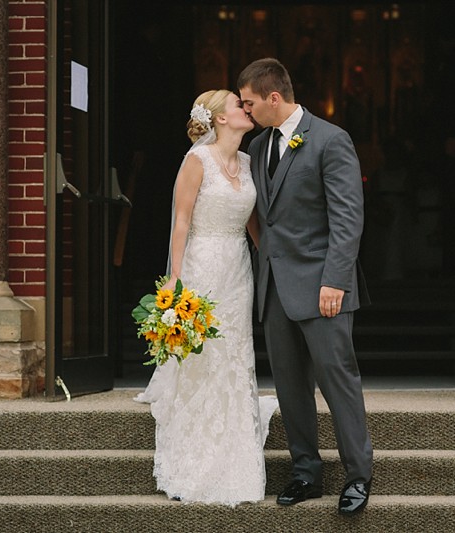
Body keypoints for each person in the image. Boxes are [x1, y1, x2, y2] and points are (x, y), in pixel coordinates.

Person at [238, 58, 374, 515]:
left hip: (322, 287)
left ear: (274, 97)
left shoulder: (331, 140)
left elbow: (347, 219)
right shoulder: (256, 147)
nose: (246, 110)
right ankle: (305, 472)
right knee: (290, 386)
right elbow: (263, 216)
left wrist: (336, 280)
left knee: (338, 381)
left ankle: (358, 474)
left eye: (250, 102)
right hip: (273, 287)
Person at [136, 89, 278, 506]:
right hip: (200, 263)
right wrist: (175, 279)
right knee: (203, 353)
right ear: (219, 119)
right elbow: (180, 220)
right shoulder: (196, 161)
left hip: (237, 268)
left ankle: (235, 436)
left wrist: (272, 261)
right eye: (238, 105)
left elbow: (253, 223)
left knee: (234, 350)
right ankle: (196, 442)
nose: (245, 109)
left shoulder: (250, 162)